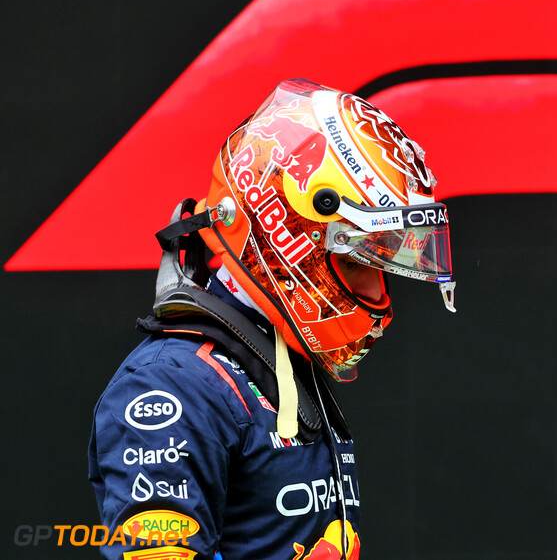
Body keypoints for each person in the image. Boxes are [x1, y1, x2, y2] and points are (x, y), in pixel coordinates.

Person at [88, 78, 456, 559]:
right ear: (287, 236)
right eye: (356, 262)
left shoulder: (275, 359)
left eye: (381, 267)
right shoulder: (173, 385)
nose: (377, 294)